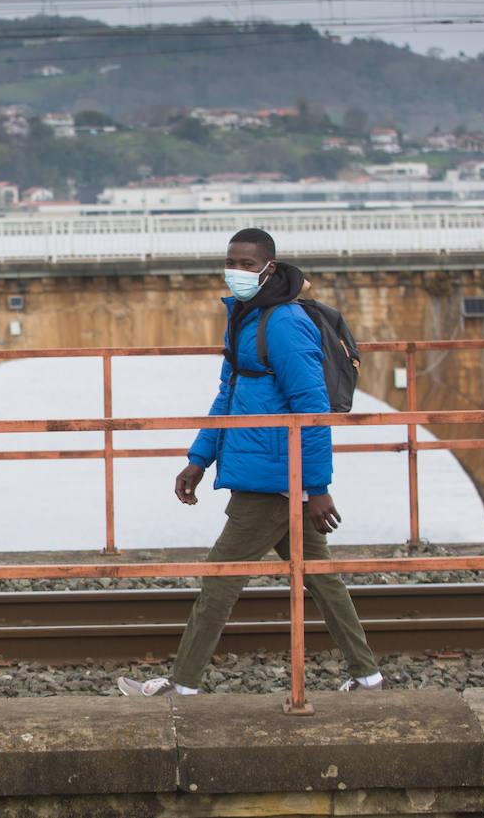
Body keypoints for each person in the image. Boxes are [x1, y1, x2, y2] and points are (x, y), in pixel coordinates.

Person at [118, 228, 383, 697]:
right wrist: (199, 458)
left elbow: (311, 403)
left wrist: (316, 485)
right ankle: (367, 676)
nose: (236, 271)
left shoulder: (283, 322)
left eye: (246, 264)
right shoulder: (245, 315)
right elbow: (229, 395)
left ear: (269, 269)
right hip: (268, 471)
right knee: (321, 579)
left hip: (274, 479)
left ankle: (182, 687)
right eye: (231, 262)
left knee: (219, 581)